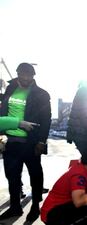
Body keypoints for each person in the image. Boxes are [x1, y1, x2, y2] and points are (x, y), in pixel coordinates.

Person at [0, 63, 51, 222]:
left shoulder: (41, 94)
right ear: (17, 74)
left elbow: (46, 120)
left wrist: (42, 141)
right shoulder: (10, 89)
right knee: (12, 176)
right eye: (23, 75)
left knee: (35, 174)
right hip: (11, 141)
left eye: (30, 76)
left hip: (31, 142)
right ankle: (15, 207)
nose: (27, 78)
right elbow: (3, 112)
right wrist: (1, 135)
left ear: (33, 76)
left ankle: (36, 205)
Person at [40, 155, 87, 225]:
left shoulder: (80, 166)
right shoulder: (79, 175)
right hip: (53, 213)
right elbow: (79, 201)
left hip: (59, 207)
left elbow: (81, 183)